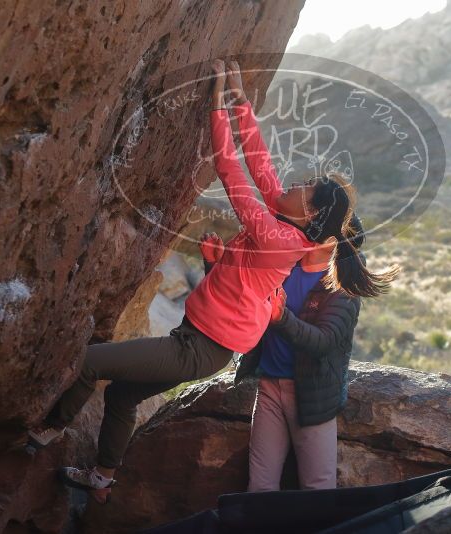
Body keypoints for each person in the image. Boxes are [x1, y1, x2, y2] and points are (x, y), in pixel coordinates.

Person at [26, 60, 379, 503]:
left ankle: (45, 432)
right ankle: (101, 479)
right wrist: (239, 100)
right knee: (121, 397)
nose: (294, 183)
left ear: (308, 214)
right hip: (198, 338)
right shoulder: (285, 220)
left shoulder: (276, 235)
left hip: (198, 348)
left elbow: (232, 171)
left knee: (89, 362)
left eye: (304, 188)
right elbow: (259, 162)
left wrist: (215, 107)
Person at [200, 214, 394, 491]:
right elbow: (240, 303)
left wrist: (281, 318)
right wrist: (215, 266)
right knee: (259, 486)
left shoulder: (342, 286)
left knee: (318, 490)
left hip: (312, 397)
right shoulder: (283, 265)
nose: (302, 226)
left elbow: (324, 342)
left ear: (331, 241)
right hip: (268, 388)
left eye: (314, 224)